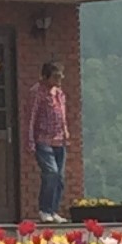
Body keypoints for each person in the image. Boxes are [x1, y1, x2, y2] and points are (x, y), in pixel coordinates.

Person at [28, 58, 69, 222]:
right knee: (50, 173)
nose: (58, 80)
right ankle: (44, 209)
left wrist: (66, 130)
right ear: (45, 77)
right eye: (55, 77)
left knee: (59, 176)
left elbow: (62, 114)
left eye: (60, 76)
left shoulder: (59, 94)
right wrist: (30, 140)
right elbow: (31, 117)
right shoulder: (37, 92)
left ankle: (53, 210)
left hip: (60, 140)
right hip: (43, 140)